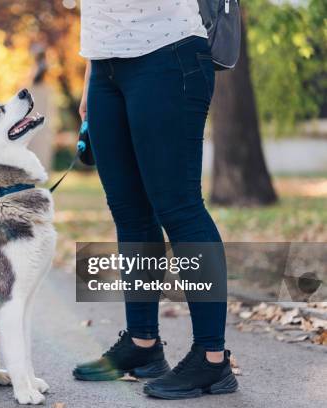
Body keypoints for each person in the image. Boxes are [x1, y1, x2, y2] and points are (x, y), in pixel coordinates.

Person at [72, 0, 238, 399]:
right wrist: (90, 74)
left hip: (169, 53)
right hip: (104, 67)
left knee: (179, 208)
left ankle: (212, 359)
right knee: (129, 211)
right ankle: (143, 344)